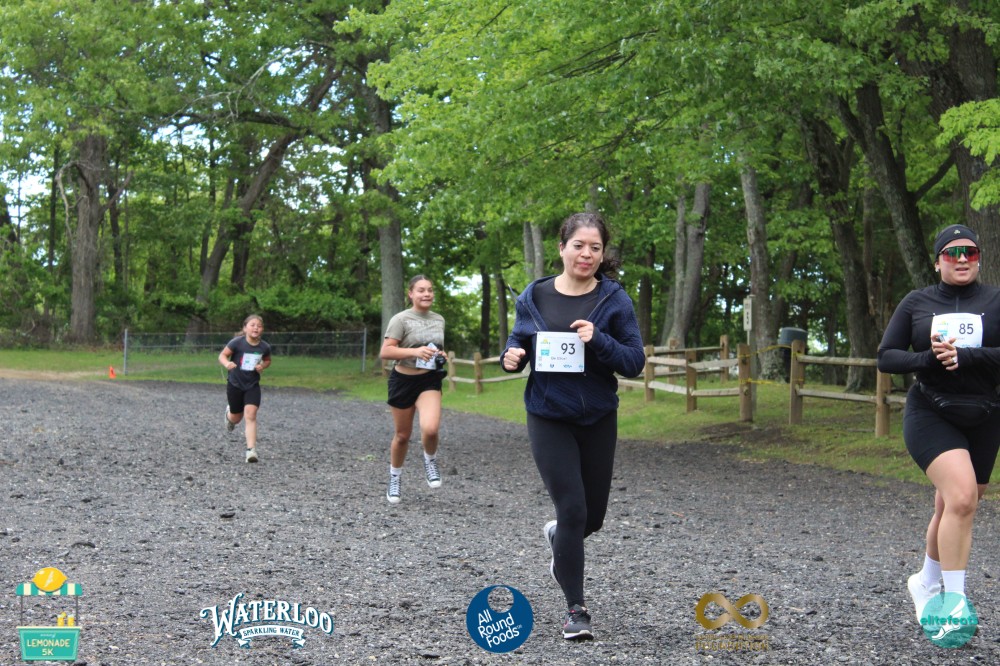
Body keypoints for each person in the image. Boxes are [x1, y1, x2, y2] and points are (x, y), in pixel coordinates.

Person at [501, 212, 645, 640]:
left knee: (592, 518)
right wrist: (511, 357)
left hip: (598, 415)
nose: (586, 254)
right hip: (548, 414)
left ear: (602, 254)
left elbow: (634, 362)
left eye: (595, 248)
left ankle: (559, 537)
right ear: (562, 248)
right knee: (572, 509)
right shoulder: (534, 295)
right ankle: (576, 610)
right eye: (579, 245)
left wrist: (598, 339)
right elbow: (518, 340)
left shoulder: (614, 300)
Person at [877, 224, 1000, 634]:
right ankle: (953, 605)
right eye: (952, 253)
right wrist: (927, 360)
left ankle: (926, 581)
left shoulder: (996, 300)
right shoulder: (917, 302)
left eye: (970, 252)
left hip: (985, 413)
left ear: (979, 258)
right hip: (931, 410)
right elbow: (887, 357)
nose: (962, 259)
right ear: (937, 262)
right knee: (962, 497)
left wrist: (969, 357)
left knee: (955, 504)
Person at [380, 275, 447, 504]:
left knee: (430, 429)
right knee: (402, 436)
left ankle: (430, 460)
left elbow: (437, 348)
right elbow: (386, 351)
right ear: (411, 294)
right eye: (421, 290)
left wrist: (440, 355)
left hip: (429, 380)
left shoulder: (439, 320)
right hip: (403, 381)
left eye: (430, 290)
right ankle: (395, 477)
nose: (427, 294)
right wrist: (414, 352)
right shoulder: (401, 319)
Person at [219, 314, 272, 463]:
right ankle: (229, 414)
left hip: (252, 385)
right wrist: (227, 364)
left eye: (259, 326)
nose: (256, 328)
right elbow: (222, 355)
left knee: (251, 414)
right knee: (236, 418)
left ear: (262, 329)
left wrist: (262, 366)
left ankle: (251, 451)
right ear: (245, 328)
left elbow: (268, 360)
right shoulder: (237, 343)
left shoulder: (264, 346)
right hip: (235, 384)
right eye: (252, 325)